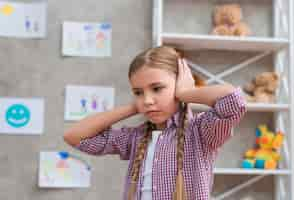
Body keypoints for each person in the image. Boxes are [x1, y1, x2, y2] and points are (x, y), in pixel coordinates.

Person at [63, 46, 246, 200]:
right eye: (138, 92)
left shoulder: (201, 132)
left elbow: (233, 100)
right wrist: (134, 107)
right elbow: (75, 136)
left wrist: (186, 93)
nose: (148, 99)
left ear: (179, 83)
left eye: (157, 88)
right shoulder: (135, 137)